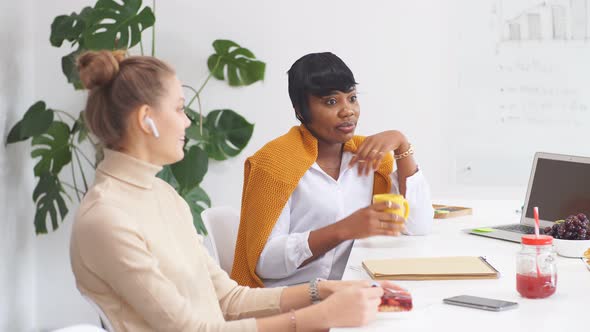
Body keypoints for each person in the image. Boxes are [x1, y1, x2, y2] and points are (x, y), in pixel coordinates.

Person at [69, 50, 402, 332]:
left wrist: (329, 290)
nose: (187, 122)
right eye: (179, 108)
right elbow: (193, 330)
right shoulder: (107, 219)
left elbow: (229, 299)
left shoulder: (161, 195)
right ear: (147, 120)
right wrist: (318, 317)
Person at [232, 52, 434, 288]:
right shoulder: (274, 163)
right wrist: (342, 230)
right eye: (331, 101)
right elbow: (264, 263)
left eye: (352, 98)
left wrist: (402, 145)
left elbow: (418, 227)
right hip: (291, 302)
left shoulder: (370, 159)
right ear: (300, 111)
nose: (347, 110)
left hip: (349, 290)